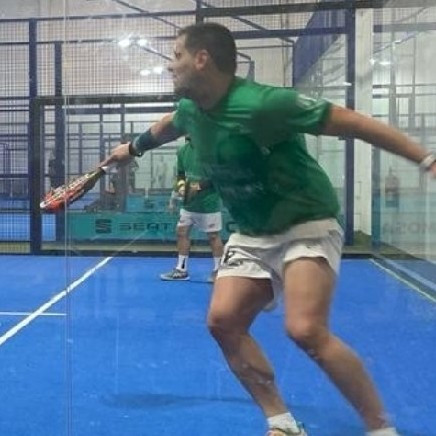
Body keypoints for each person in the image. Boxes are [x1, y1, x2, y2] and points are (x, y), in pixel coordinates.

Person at [101, 22, 436, 436]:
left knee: (305, 329)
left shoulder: (265, 104)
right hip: (252, 231)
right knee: (223, 322)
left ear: (202, 59)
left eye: (177, 56)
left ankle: (380, 428)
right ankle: (281, 421)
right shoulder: (191, 109)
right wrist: (131, 149)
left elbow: (354, 123)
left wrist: (425, 159)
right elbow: (168, 125)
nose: (171, 66)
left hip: (306, 224)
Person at [160, 136, 224, 283]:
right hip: (189, 205)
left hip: (209, 204)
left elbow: (217, 177)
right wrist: (181, 188)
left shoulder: (212, 151)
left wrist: (195, 187)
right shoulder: (182, 151)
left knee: (213, 236)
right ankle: (181, 270)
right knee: (181, 232)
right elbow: (181, 175)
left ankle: (218, 271)